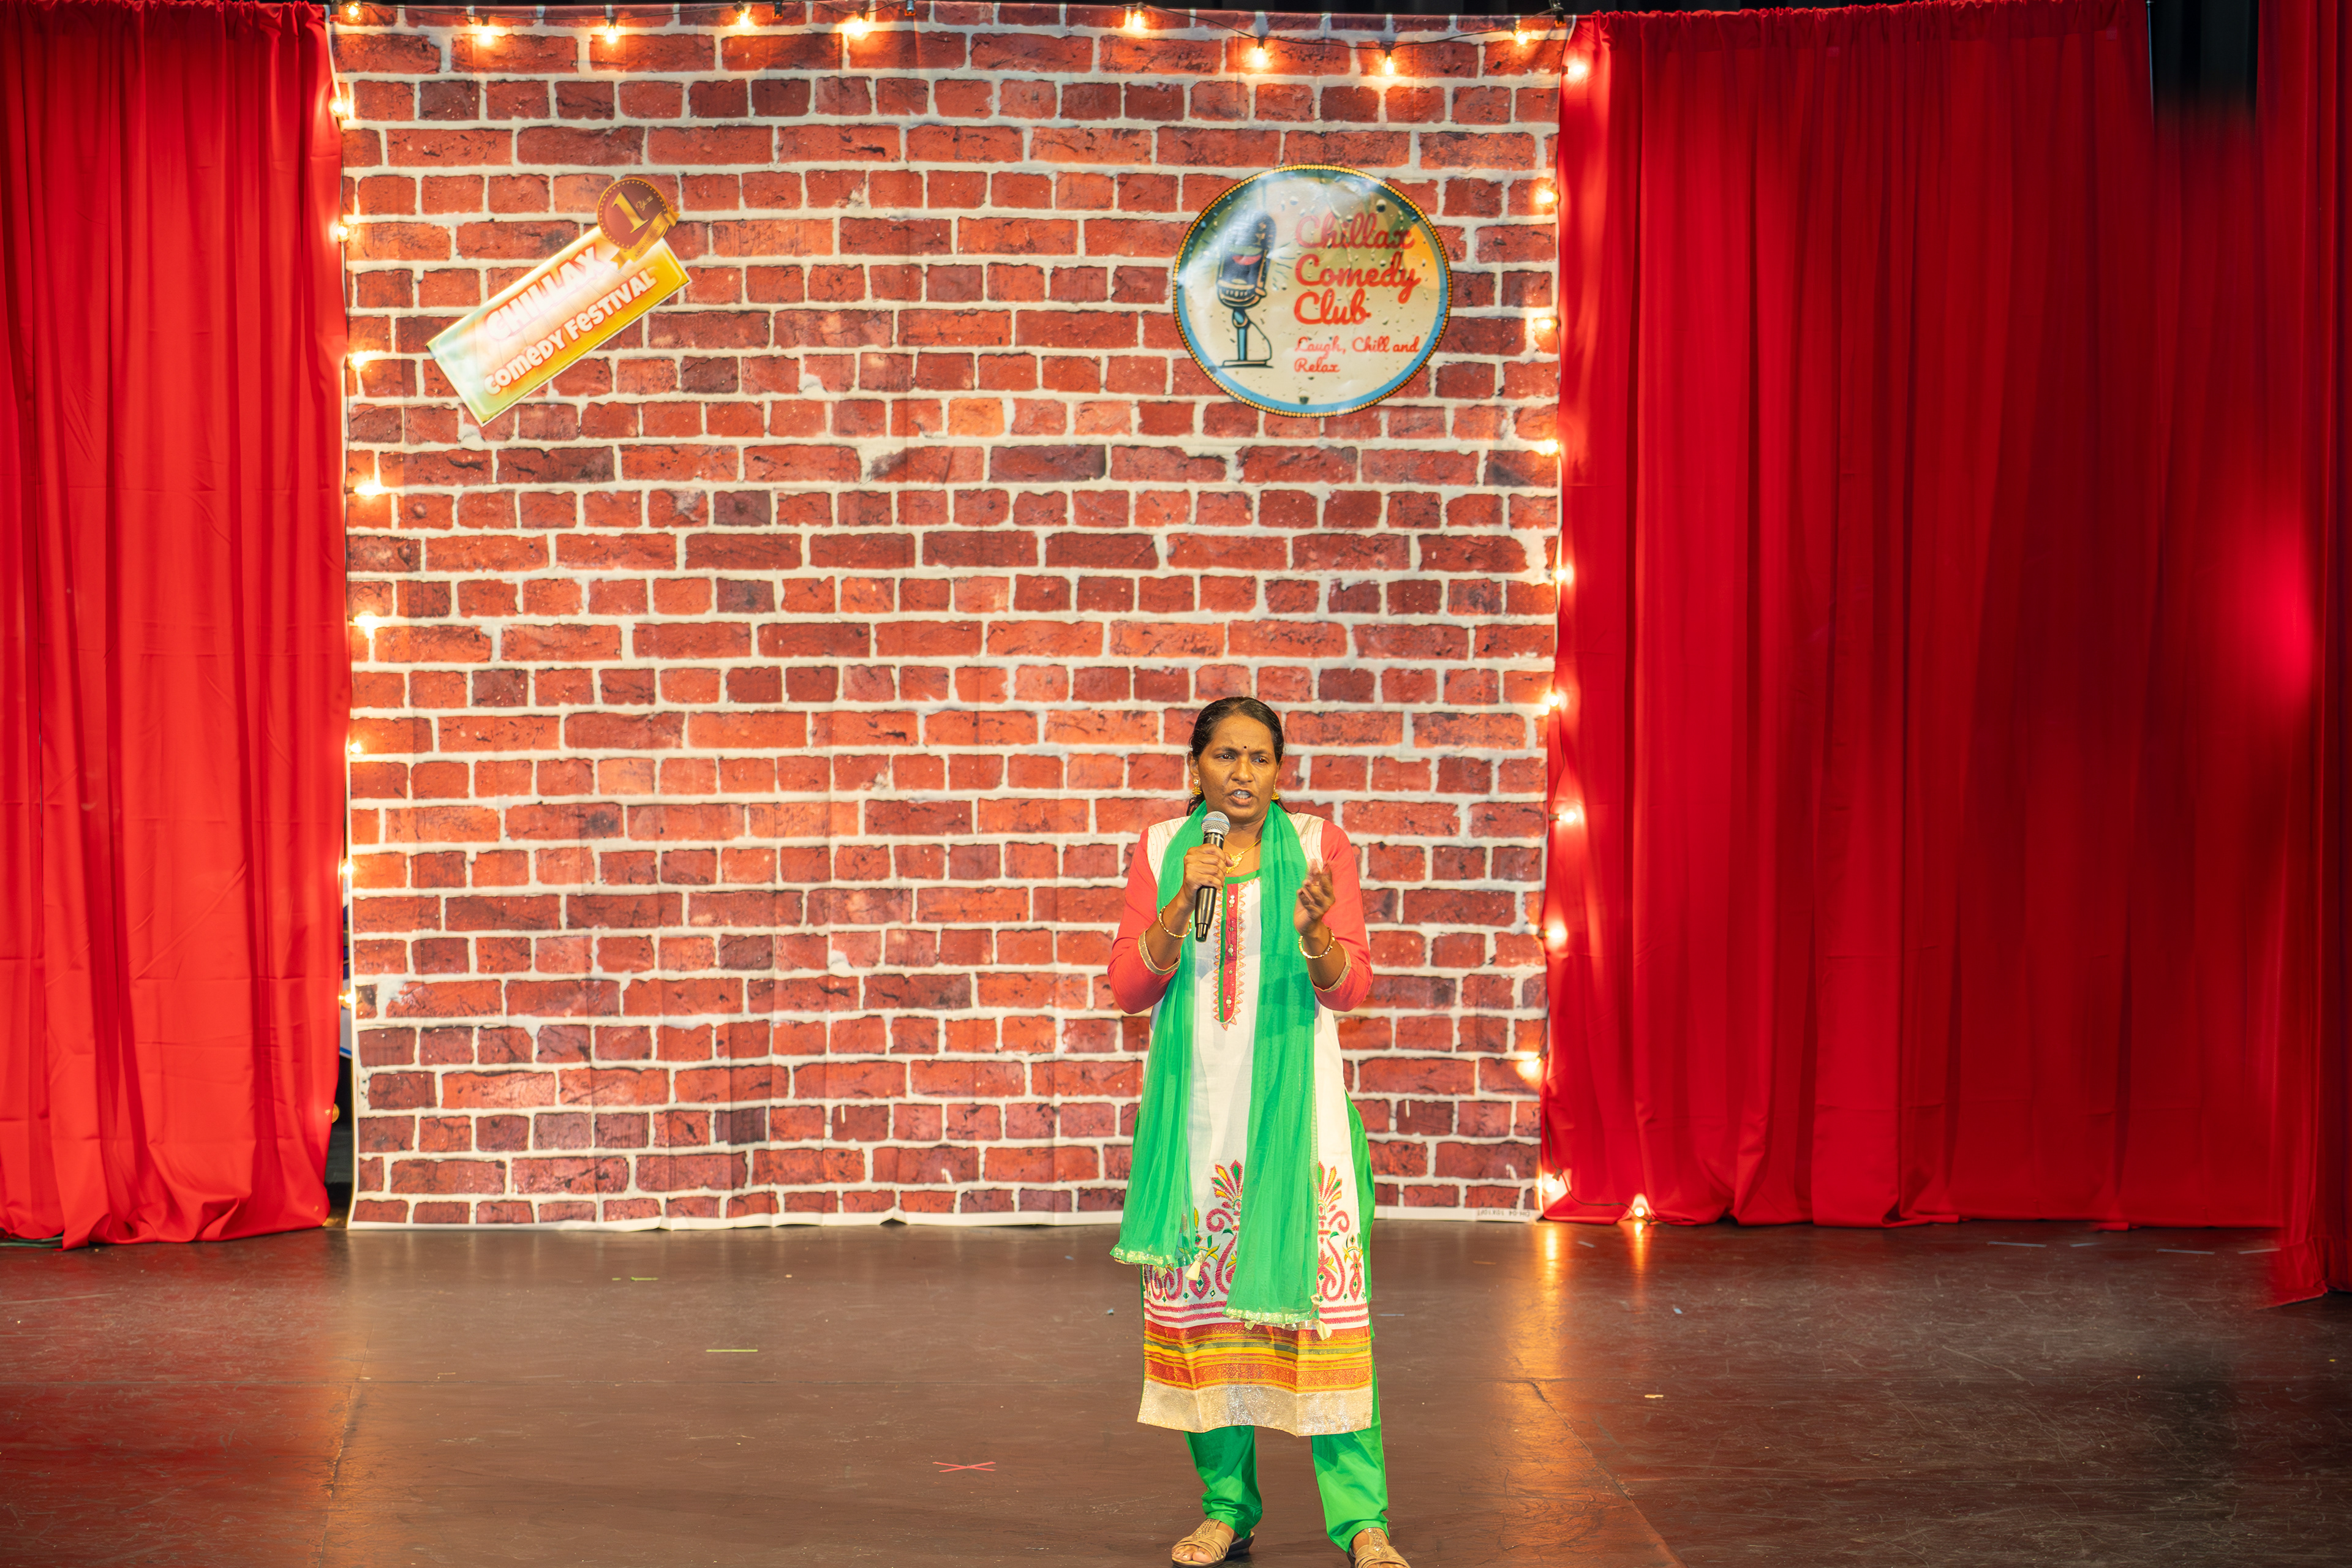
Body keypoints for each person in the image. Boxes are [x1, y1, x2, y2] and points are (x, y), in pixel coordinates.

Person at [1106, 697, 1408, 1568]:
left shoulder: (1318, 846)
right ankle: (1226, 1509)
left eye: (1261, 758)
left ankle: (1363, 1522)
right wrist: (1180, 903)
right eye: (1226, 756)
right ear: (1195, 765)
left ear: (1280, 769)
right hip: (1197, 1125)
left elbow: (1351, 989)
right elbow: (1129, 989)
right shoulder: (1165, 848)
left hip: (1300, 1124)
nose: (1243, 774)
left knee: (1327, 1323)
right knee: (1203, 1326)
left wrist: (1314, 937)